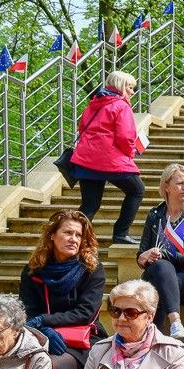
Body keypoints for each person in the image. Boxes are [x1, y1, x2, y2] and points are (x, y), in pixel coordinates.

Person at [18, 210, 106, 369]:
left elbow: (85, 313)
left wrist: (44, 321)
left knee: (46, 367)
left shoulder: (92, 269)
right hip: (43, 338)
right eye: (67, 233)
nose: (73, 239)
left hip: (84, 341)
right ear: (52, 235)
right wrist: (44, 331)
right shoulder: (32, 271)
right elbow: (27, 312)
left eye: (78, 235)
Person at [135, 163, 184, 340]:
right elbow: (141, 255)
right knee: (161, 270)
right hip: (159, 273)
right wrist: (144, 257)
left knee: (158, 283)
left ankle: (152, 339)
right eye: (180, 183)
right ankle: (174, 324)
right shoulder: (155, 214)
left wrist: (165, 255)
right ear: (166, 187)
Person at [68, 70, 144, 245]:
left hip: (86, 160)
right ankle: (120, 233)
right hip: (109, 159)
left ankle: (74, 238)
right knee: (137, 190)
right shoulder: (122, 106)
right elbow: (125, 137)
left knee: (90, 205)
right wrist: (132, 152)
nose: (132, 92)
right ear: (121, 86)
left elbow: (82, 128)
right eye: (130, 87)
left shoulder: (93, 104)